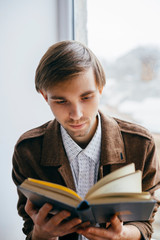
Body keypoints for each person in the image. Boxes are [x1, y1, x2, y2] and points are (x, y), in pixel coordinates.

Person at [12, 40, 160, 240]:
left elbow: (145, 222)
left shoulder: (142, 145)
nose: (76, 114)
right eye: (61, 101)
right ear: (45, 96)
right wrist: (41, 234)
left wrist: (122, 235)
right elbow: (29, 224)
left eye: (86, 97)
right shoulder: (27, 150)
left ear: (100, 89)